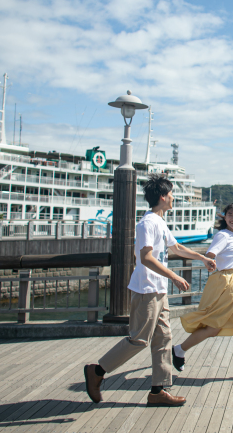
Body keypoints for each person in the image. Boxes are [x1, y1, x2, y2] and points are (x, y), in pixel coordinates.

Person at [84, 174, 216, 406]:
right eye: (171, 194)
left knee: (164, 337)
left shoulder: (160, 222)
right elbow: (145, 258)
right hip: (147, 290)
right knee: (138, 340)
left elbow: (176, 247)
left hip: (158, 290)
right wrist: (174, 275)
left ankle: (158, 390)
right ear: (163, 197)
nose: (174, 198)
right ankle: (97, 371)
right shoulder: (147, 223)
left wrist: (201, 257)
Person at [172, 203, 233, 382]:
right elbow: (210, 254)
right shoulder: (222, 235)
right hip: (227, 284)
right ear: (224, 217)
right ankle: (179, 350)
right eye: (230, 214)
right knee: (214, 326)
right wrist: (210, 262)